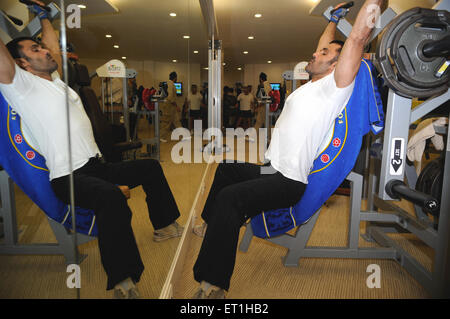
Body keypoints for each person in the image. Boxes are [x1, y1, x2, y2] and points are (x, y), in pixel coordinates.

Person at [191, 0, 384, 299]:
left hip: (288, 181)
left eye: (324, 54)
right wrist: (333, 19)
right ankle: (209, 224)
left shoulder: (336, 87)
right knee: (226, 169)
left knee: (231, 199)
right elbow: (324, 44)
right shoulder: (312, 84)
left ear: (337, 64)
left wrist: (374, 3)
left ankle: (213, 283)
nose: (315, 53)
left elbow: (357, 38)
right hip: (271, 169)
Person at [0, 0, 183, 299]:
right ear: (21, 63)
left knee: (150, 166)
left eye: (41, 48)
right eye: (34, 51)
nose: (44, 51)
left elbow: (54, 49)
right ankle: (123, 280)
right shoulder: (20, 86)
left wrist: (45, 15)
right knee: (112, 198)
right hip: (68, 177)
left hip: (97, 166)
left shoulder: (57, 81)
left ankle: (164, 224)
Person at [160, 71, 182, 142]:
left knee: (176, 121)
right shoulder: (171, 84)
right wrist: (176, 106)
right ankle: (162, 137)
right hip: (169, 106)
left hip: (171, 106)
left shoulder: (169, 83)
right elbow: (170, 97)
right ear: (175, 78)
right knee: (166, 122)